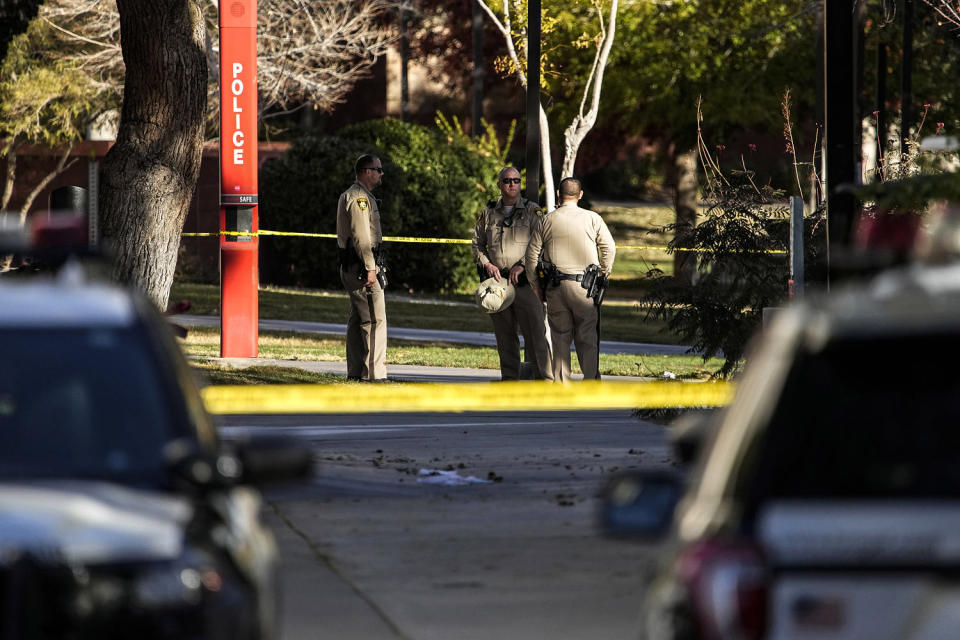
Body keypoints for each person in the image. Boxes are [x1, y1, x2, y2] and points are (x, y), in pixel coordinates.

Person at [524, 177, 615, 382]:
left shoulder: (546, 220)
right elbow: (609, 248)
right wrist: (603, 273)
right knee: (588, 337)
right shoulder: (593, 218)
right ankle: (590, 382)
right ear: (580, 195)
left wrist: (535, 285)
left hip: (555, 286)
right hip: (586, 286)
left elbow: (531, 256)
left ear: (558, 194)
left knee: (560, 336)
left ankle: (562, 384)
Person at [471, 167, 553, 381]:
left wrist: (523, 265)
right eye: (507, 181)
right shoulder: (488, 212)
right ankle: (509, 379)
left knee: (535, 334)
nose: (512, 184)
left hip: (527, 283)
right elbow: (477, 244)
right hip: (499, 284)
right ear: (499, 184)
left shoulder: (532, 210)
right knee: (505, 336)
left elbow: (542, 243)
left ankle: (544, 379)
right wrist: (487, 264)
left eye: (516, 180)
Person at [337, 154, 388, 382]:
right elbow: (361, 236)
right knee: (375, 321)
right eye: (378, 169)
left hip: (353, 265)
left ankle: (356, 372)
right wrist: (370, 267)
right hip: (361, 267)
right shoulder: (359, 199)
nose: (381, 173)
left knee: (358, 319)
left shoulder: (361, 196)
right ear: (367, 171)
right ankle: (375, 375)